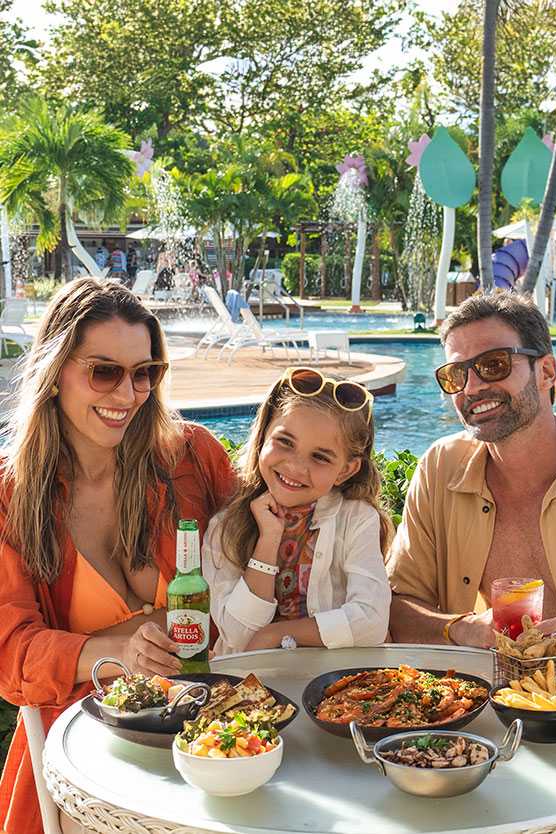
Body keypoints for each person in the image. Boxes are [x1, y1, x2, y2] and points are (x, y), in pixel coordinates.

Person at [0, 278, 236, 834]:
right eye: (104, 371)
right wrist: (120, 653)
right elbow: (10, 654)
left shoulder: (191, 457)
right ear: (56, 372)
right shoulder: (11, 498)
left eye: (144, 373)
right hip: (86, 742)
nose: (127, 395)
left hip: (215, 722)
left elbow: (253, 554)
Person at [387, 291, 556, 698]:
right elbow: (396, 608)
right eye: (456, 374)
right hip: (491, 721)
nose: (473, 387)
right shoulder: (440, 469)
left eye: (494, 365)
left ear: (547, 371)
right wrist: (461, 629)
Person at [203, 367, 392, 654]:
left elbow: (372, 621)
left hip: (333, 688)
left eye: (320, 457)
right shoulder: (225, 528)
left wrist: (276, 634)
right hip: (248, 689)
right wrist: (267, 541)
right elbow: (238, 638)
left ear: (346, 470)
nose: (295, 467)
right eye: (285, 442)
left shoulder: (356, 520)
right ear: (264, 434)